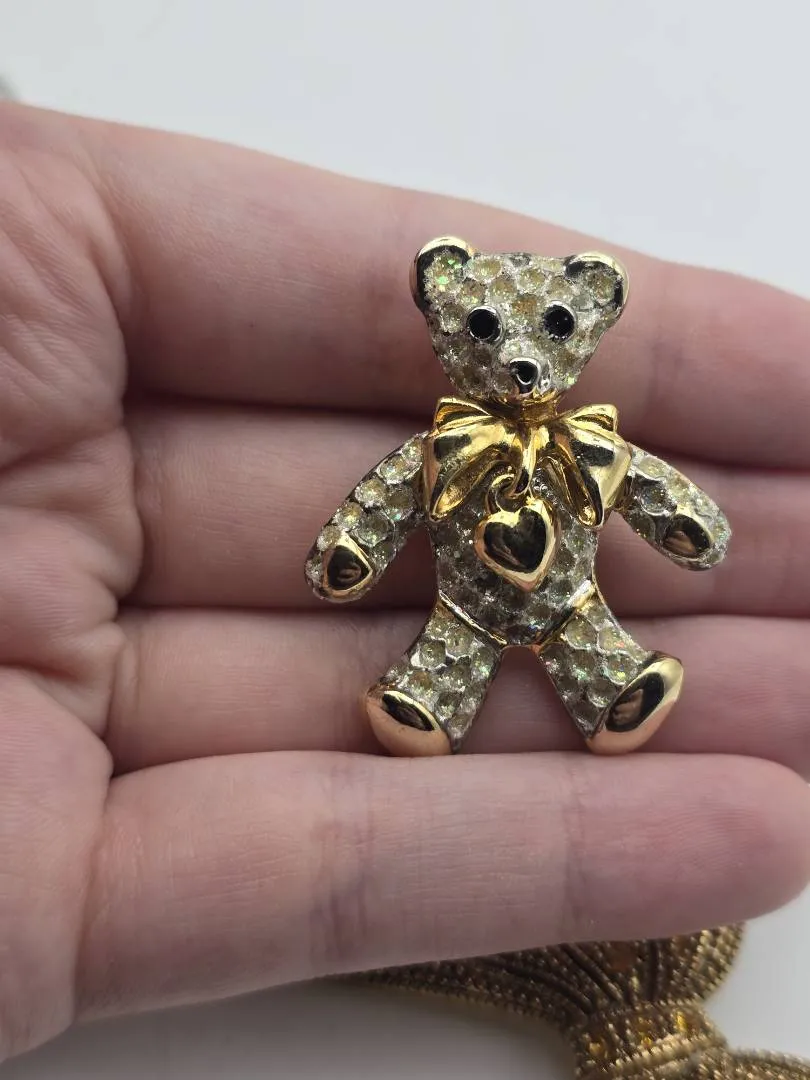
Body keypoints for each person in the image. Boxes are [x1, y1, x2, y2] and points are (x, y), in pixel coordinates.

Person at [0, 100, 808, 1061]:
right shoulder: (438, 450)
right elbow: (385, 499)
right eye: (483, 326)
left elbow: (646, 488)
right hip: (463, 603)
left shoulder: (591, 445)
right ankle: (426, 708)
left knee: (587, 635)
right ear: (442, 310)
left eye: (552, 325)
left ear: (597, 309)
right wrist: (352, 551)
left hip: (572, 599)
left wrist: (687, 524)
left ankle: (616, 696)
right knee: (447, 653)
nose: (517, 353)